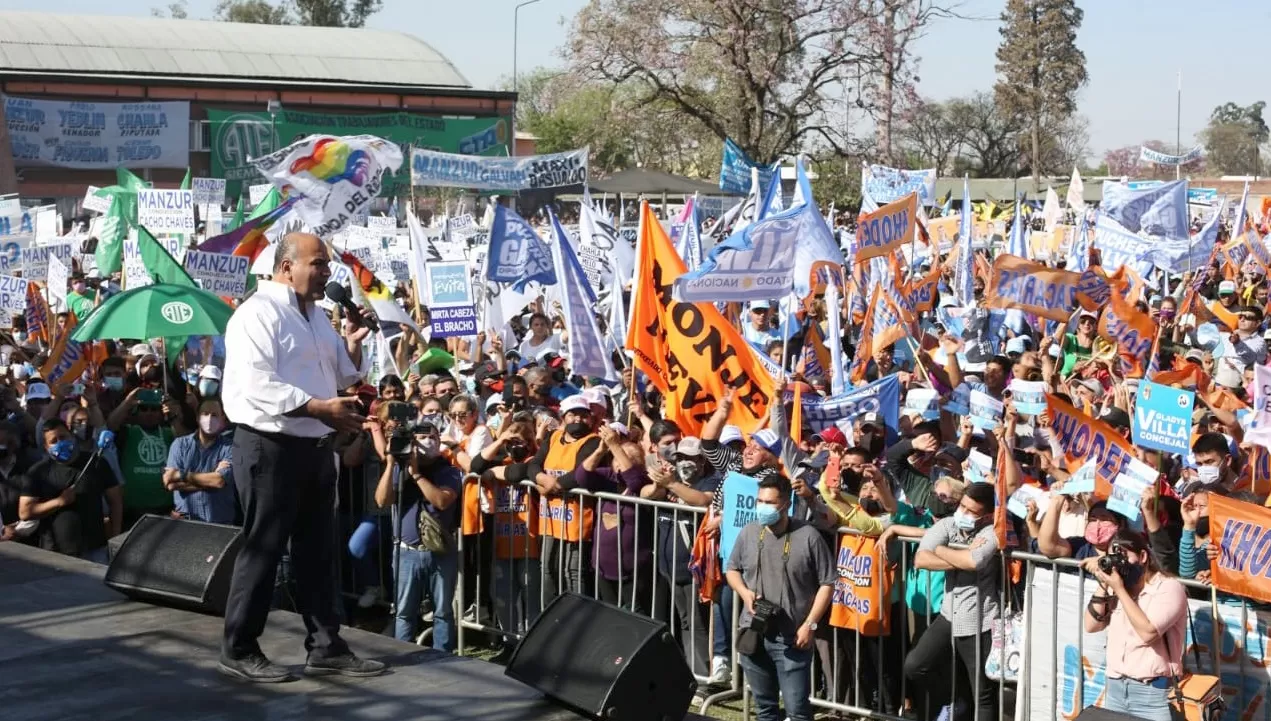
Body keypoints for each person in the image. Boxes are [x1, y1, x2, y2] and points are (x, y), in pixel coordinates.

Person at [219, 232, 386, 683]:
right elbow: (256, 384)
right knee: (264, 548)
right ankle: (239, 646)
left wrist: (352, 341)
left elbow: (345, 375)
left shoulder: (317, 318)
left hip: (314, 448)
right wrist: (317, 407)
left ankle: (327, 645)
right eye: (317, 263)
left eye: (327, 264)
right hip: (270, 448)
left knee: (317, 553)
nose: (326, 272)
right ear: (285, 266)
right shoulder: (257, 313)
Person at [724, 474, 835, 721]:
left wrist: (810, 625)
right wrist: (744, 592)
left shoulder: (809, 536)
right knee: (765, 710)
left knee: (797, 711)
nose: (762, 507)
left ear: (785, 503)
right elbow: (731, 569)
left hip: (793, 637)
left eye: (770, 502)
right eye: (760, 500)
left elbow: (828, 583)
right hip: (754, 631)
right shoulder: (750, 532)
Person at [904, 481, 1001, 721]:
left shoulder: (992, 531)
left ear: (987, 516)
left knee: (984, 693)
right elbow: (921, 559)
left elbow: (973, 562)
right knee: (915, 665)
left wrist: (941, 550)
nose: (964, 513)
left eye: (972, 511)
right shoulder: (948, 523)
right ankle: (954, 700)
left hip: (979, 621)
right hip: (948, 615)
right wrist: (958, 555)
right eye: (963, 506)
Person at [1081, 530, 1188, 721]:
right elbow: (1090, 625)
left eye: (1122, 555)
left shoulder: (1168, 588)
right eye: (1113, 556)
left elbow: (1148, 633)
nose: (1118, 562)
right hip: (1115, 686)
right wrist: (1104, 584)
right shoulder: (1118, 586)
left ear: (1143, 556)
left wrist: (1120, 590)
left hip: (1154, 694)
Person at [375, 420, 462, 649]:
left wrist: (417, 476)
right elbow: (382, 500)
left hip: (440, 552)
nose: (428, 442)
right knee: (403, 612)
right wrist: (391, 464)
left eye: (433, 437)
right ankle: (402, 654)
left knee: (442, 611)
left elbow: (442, 500)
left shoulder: (448, 470)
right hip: (406, 553)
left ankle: (443, 657)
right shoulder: (399, 469)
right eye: (422, 437)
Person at [17, 418, 121, 562]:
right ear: (46, 447)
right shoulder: (38, 472)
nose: (60, 443)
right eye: (54, 441)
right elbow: (25, 512)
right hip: (55, 553)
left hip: (95, 549)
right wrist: (59, 502)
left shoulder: (96, 462)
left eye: (63, 437)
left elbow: (115, 502)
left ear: (72, 436)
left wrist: (115, 539)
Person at [163, 398, 237, 525]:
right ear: (197, 417)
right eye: (205, 414)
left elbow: (219, 481)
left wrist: (181, 475)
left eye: (214, 415)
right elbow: (170, 484)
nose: (209, 419)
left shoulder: (230, 447)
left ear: (222, 418)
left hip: (220, 523)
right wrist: (211, 479)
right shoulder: (180, 445)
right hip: (186, 522)